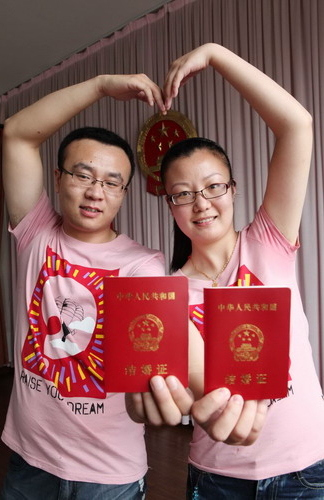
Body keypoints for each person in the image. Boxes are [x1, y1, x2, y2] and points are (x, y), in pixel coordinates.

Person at [130, 43, 324, 498]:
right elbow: (182, 393)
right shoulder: (166, 292)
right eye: (182, 193)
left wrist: (217, 56)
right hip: (219, 478)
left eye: (213, 186)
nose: (201, 202)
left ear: (233, 190)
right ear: (169, 204)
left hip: (307, 467)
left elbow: (297, 126)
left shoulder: (268, 243)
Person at [0, 74, 170, 499]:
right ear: (57, 179)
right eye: (83, 175)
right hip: (30, 458)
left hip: (107, 471)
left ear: (123, 194)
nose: (96, 192)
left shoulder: (142, 265)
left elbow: (149, 361)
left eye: (112, 182)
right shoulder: (37, 231)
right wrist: (99, 86)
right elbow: (18, 135)